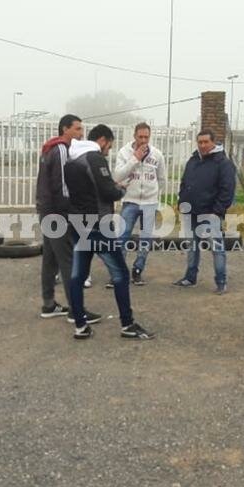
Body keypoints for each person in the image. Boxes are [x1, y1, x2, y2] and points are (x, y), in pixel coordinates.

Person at [64, 124, 155, 341]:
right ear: (103, 140)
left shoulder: (71, 160)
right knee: (120, 274)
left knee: (77, 275)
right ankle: (127, 324)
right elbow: (107, 191)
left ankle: (80, 326)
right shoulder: (94, 158)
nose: (108, 151)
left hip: (77, 223)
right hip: (98, 225)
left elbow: (88, 189)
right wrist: (121, 190)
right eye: (109, 146)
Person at [36, 114, 100, 324]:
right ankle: (76, 310)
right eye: (77, 129)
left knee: (50, 259)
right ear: (65, 129)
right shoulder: (62, 149)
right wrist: (71, 211)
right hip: (59, 213)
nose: (81, 134)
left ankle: (49, 304)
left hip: (47, 210)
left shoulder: (49, 148)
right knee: (69, 261)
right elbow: (63, 185)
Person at [174, 130, 236, 294]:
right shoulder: (193, 160)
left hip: (210, 214)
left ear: (213, 142)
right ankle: (190, 278)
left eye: (205, 142)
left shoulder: (223, 163)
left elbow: (227, 190)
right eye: (199, 142)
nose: (202, 145)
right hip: (191, 212)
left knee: (217, 249)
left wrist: (217, 211)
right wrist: (182, 202)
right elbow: (184, 182)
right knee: (192, 248)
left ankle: (221, 282)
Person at [111, 122, 166, 286]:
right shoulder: (124, 152)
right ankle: (119, 272)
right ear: (134, 136)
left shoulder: (157, 154)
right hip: (130, 201)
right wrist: (135, 158)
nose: (143, 140)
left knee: (146, 239)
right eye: (140, 137)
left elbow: (161, 179)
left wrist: (155, 195)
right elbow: (117, 176)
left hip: (150, 202)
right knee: (122, 237)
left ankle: (137, 270)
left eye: (146, 137)